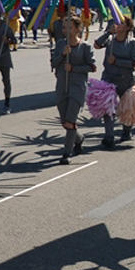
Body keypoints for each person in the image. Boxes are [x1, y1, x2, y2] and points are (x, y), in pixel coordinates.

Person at [52, 16, 95, 164]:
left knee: (70, 121)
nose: (66, 30)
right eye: (64, 27)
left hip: (77, 88)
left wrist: (74, 68)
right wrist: (63, 55)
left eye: (69, 27)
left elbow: (92, 67)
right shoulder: (60, 44)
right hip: (62, 86)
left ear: (77, 29)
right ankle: (79, 138)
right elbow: (53, 63)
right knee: (65, 122)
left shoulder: (85, 47)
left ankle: (66, 153)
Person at [94, 15, 135, 148]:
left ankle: (127, 130)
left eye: (121, 23)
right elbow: (96, 45)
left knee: (126, 108)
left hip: (126, 80)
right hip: (108, 78)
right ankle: (109, 136)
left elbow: (134, 63)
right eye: (116, 23)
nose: (117, 25)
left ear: (127, 27)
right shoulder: (110, 40)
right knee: (107, 108)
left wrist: (118, 61)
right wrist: (108, 32)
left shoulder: (132, 43)